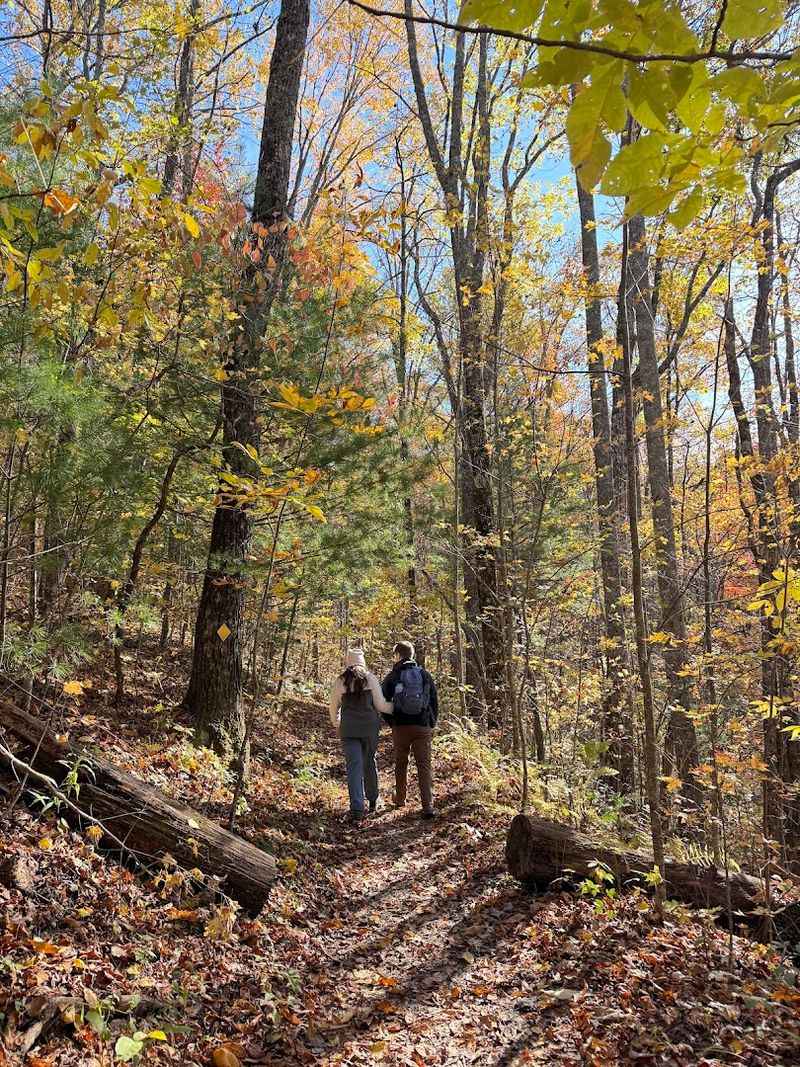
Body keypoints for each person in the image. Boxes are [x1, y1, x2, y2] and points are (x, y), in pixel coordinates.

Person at [329, 648, 393, 823]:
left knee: (354, 766)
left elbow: (333, 708)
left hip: (348, 729)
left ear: (347, 662)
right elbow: (381, 706)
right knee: (369, 761)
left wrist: (337, 723)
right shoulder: (370, 678)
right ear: (362, 662)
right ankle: (373, 799)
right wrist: (397, 708)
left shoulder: (340, 681)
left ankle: (357, 808)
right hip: (369, 728)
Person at [381, 641, 438, 819]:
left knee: (401, 762)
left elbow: (382, 703)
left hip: (401, 726)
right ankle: (427, 805)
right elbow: (434, 701)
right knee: (424, 765)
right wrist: (430, 724)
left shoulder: (393, 676)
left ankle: (400, 798)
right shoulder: (425, 674)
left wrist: (392, 722)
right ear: (412, 655)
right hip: (422, 726)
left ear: (398, 655)